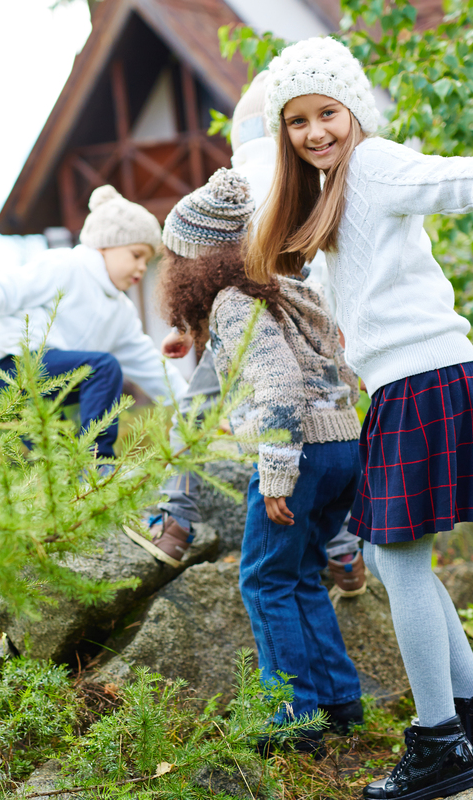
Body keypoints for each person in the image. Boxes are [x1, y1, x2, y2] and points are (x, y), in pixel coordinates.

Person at [250, 36, 473, 800]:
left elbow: (443, 179)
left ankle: (439, 740)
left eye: (327, 113)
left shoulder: (374, 164)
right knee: (398, 563)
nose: (315, 132)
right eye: (297, 121)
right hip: (416, 381)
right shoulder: (333, 191)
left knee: (398, 563)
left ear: (354, 110)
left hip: (423, 379)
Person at [158, 168, 365, 756]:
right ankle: (339, 702)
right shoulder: (285, 288)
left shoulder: (232, 303)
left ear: (195, 260)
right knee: (301, 574)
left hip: (299, 455)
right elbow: (335, 366)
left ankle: (291, 719)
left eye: (174, 256)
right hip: (342, 446)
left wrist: (276, 472)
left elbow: (278, 385)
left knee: (264, 581)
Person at [143, 72, 370, 602]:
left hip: (247, 319)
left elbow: (203, 265)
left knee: (197, 410)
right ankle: (343, 548)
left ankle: (175, 520)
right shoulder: (313, 177)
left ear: (241, 134)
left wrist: (186, 327)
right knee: (330, 417)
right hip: (310, 321)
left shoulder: (236, 183)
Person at [0, 185, 187, 460]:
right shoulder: (65, 265)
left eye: (147, 260)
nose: (142, 266)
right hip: (8, 369)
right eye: (136, 255)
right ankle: (99, 461)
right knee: (103, 368)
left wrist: (194, 408)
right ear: (104, 245)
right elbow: (4, 289)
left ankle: (84, 475)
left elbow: (150, 366)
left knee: (61, 461)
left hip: (48, 386)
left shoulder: (122, 313)